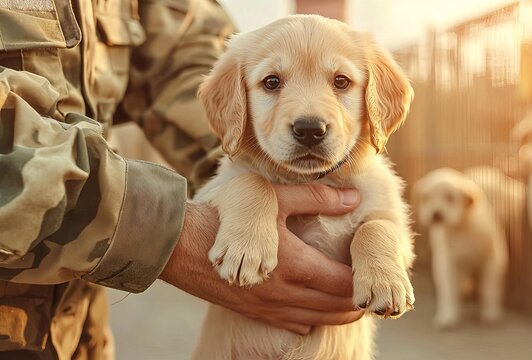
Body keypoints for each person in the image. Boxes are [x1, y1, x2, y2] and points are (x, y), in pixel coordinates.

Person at [0, 1, 361, 358]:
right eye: (273, 82)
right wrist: (162, 231)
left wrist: (261, 179)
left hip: (76, 331)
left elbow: (184, 55)